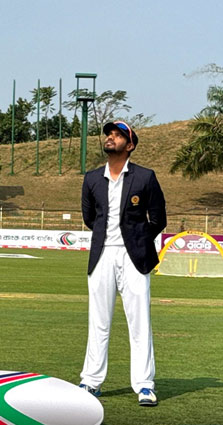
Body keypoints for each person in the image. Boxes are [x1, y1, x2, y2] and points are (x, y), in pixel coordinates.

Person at [79, 121, 166, 407]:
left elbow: (158, 219)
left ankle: (144, 385)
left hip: (135, 258)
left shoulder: (145, 177)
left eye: (117, 135)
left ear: (129, 145)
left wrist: (138, 240)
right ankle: (91, 381)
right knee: (98, 321)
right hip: (102, 256)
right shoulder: (92, 178)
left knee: (139, 323)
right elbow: (90, 218)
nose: (110, 138)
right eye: (109, 134)